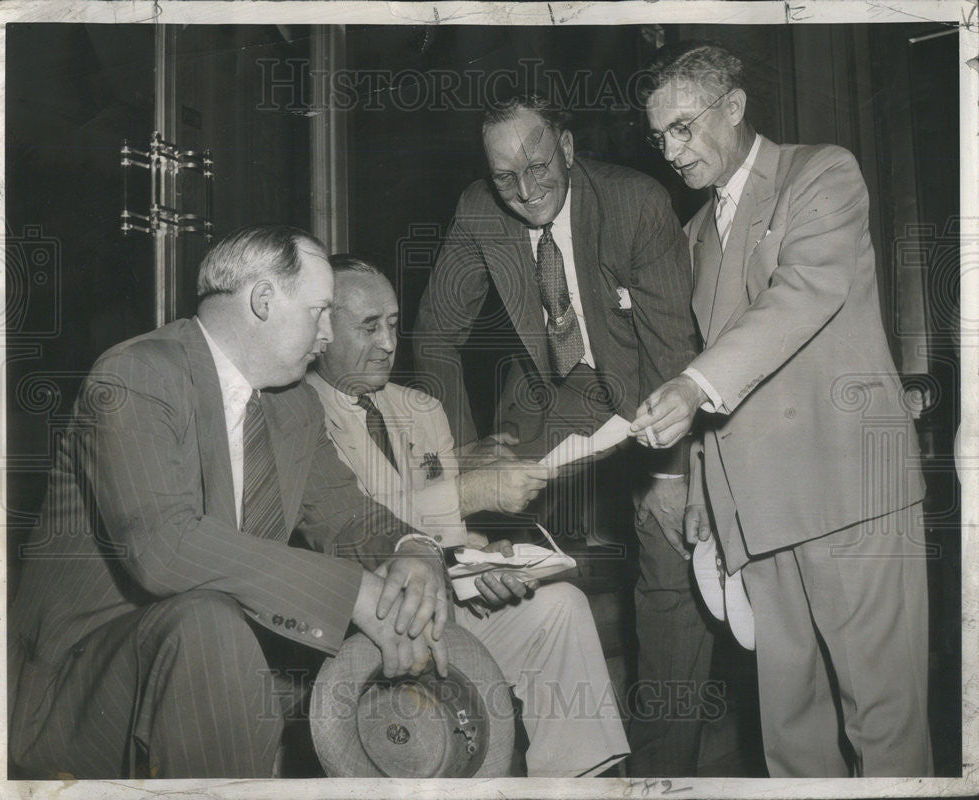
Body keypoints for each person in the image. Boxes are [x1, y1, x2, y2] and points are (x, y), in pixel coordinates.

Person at [8, 225, 449, 779]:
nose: (329, 331)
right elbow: (166, 549)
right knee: (208, 622)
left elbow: (348, 514)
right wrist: (355, 593)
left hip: (222, 669)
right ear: (263, 301)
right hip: (83, 687)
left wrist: (415, 551)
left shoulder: (293, 407)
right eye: (320, 311)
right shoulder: (137, 374)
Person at [634, 41, 932, 777]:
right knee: (790, 739)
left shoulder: (820, 174)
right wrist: (704, 482)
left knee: (884, 726)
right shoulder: (694, 235)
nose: (671, 150)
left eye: (683, 127)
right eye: (658, 135)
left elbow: (799, 299)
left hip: (849, 493)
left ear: (733, 109)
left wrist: (694, 387)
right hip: (758, 514)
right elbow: (715, 356)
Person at [413, 94, 710, 776]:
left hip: (644, 383)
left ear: (568, 147)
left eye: (539, 164)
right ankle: (500, 756)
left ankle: (662, 776)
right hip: (547, 397)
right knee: (491, 543)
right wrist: (459, 459)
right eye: (505, 178)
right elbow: (433, 338)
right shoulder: (479, 209)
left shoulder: (635, 201)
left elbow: (673, 349)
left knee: (671, 557)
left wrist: (670, 476)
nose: (525, 190)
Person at [307, 254, 630, 777]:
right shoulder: (297, 413)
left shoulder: (420, 408)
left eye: (393, 325)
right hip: (366, 623)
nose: (389, 343)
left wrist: (482, 566)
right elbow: (352, 526)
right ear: (321, 327)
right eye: (369, 327)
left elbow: (446, 539)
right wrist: (469, 491)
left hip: (443, 605)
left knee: (561, 606)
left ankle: (579, 781)